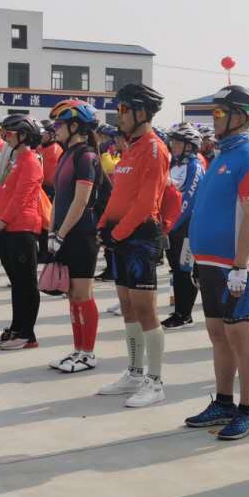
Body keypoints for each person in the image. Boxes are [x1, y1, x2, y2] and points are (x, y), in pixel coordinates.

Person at [180, 85, 249, 438]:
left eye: (219, 113)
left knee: (240, 335)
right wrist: (193, 253)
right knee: (217, 333)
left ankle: (247, 411)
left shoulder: (248, 158)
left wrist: (240, 266)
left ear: (239, 117)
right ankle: (223, 402)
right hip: (209, 261)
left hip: (234, 265)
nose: (213, 119)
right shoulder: (220, 155)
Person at [92, 85, 171, 400]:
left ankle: (155, 381)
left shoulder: (154, 148)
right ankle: (135, 372)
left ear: (141, 113)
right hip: (121, 236)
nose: (119, 116)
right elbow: (119, 195)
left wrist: (118, 233)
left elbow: (146, 203)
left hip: (140, 236)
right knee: (127, 307)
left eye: (124, 110)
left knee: (145, 310)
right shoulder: (131, 147)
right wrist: (103, 224)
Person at [45, 99, 103, 373]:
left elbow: (81, 201)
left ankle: (88, 353)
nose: (55, 128)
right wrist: (51, 231)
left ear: (75, 126)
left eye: (60, 123)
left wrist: (61, 233)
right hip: (64, 232)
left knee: (82, 294)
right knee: (71, 295)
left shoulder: (87, 156)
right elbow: (59, 197)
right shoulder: (65, 155)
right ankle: (78, 349)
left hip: (81, 233)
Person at [0, 114, 45, 350]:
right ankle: (16, 328)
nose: (5, 137)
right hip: (8, 228)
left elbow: (22, 197)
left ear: (24, 135)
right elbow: (3, 193)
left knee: (26, 283)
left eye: (9, 133)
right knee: (16, 282)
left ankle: (27, 334)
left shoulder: (31, 161)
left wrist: (2, 221)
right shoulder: (17, 160)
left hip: (22, 229)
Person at [161, 122, 206, 328]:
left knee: (184, 270)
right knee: (176, 270)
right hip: (173, 225)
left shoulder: (194, 166)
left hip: (186, 227)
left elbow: (187, 200)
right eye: (173, 142)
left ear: (189, 145)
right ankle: (179, 311)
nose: (173, 145)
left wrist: (170, 225)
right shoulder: (174, 164)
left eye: (178, 142)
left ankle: (184, 315)